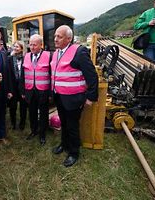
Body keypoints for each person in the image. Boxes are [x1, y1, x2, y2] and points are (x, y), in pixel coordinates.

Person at [51, 25, 98, 167]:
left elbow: (92, 76)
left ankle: (74, 152)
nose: (55, 39)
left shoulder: (79, 51)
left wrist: (91, 97)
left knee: (72, 126)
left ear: (69, 38)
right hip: (59, 96)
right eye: (55, 36)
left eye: (59, 36)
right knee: (64, 123)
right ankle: (64, 145)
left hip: (73, 98)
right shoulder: (56, 53)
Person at [21, 34, 51, 145]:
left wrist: (50, 92)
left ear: (41, 45)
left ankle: (42, 134)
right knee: (32, 112)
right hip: (30, 90)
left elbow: (52, 75)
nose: (32, 47)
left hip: (43, 90)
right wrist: (23, 91)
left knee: (43, 113)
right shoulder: (26, 56)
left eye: (35, 45)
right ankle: (34, 131)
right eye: (30, 44)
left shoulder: (48, 56)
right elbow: (22, 75)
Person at [7, 41, 27, 130]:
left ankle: (22, 123)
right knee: (13, 106)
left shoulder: (26, 59)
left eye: (17, 47)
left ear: (22, 49)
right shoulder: (9, 59)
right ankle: (13, 123)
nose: (15, 48)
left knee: (23, 106)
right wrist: (9, 90)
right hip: (12, 86)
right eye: (14, 46)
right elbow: (8, 74)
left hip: (22, 86)